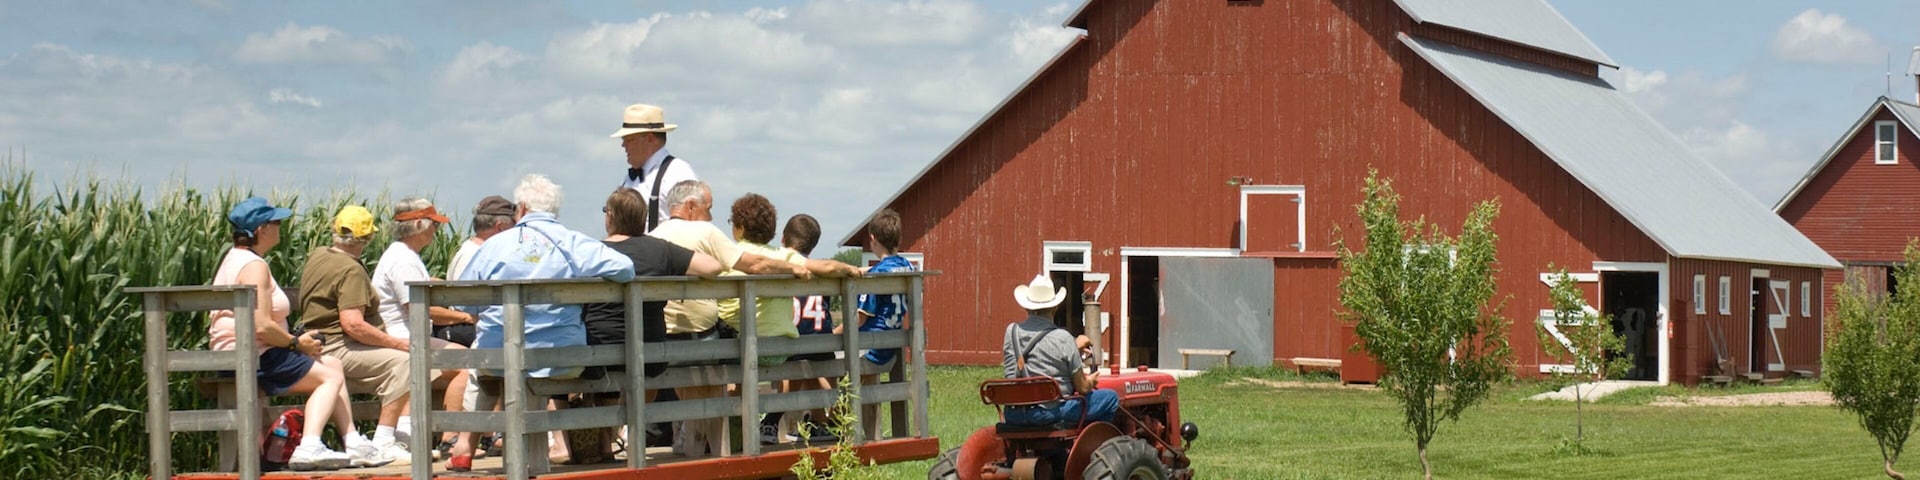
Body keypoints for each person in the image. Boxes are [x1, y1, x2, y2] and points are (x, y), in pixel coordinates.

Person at [450, 174, 637, 471]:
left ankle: (464, 444)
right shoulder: (574, 242)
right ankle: (530, 455)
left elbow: (463, 301)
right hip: (561, 356)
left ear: (521, 208)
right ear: (555, 210)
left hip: (497, 357)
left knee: (486, 362)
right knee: (525, 364)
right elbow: (625, 268)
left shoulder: (495, 246)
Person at [209, 198, 389, 470]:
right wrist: (297, 343)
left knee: (333, 363)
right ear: (262, 230)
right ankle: (310, 445)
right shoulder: (254, 266)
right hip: (254, 356)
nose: (281, 227)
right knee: (328, 376)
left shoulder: (234, 259)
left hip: (241, 352)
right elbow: (261, 326)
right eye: (276, 222)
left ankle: (352, 440)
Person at [645, 181, 811, 455]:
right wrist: (793, 267)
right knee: (716, 370)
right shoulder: (705, 231)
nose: (710, 217)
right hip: (700, 338)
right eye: (708, 209)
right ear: (690, 207)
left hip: (661, 338)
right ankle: (716, 448)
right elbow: (755, 264)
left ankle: (685, 437)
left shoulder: (653, 236)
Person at [297, 205, 414, 465]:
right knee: (408, 361)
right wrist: (398, 344)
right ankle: (384, 440)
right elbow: (353, 325)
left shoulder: (319, 255)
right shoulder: (350, 269)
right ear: (367, 238)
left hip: (317, 342)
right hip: (337, 345)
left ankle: (373, 439)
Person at [366, 197, 474, 460]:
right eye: (434, 226)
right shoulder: (404, 261)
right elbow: (417, 308)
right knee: (465, 361)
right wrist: (464, 317)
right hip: (404, 337)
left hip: (405, 334)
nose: (436, 232)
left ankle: (411, 435)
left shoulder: (401, 255)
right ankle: (448, 437)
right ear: (418, 224)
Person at [582, 188, 724, 378]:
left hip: (599, 353)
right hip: (650, 355)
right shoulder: (659, 249)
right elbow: (712, 267)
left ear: (610, 215)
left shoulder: (590, 252)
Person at [762, 213, 842, 443]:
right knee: (817, 368)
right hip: (821, 341)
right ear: (813, 245)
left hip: (794, 340)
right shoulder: (819, 270)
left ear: (784, 238)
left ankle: (771, 420)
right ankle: (824, 422)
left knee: (793, 369)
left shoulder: (785, 268)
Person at [1001, 274, 1119, 426]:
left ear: (1026, 306)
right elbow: (1082, 388)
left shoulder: (1011, 332)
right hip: (1047, 413)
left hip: (1013, 413)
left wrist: (1074, 348)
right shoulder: (1063, 338)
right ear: (1055, 307)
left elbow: (1025, 360)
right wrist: (1091, 381)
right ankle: (1093, 444)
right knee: (1110, 398)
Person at [612, 103, 695, 232]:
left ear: (650, 139)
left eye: (629, 140)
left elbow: (692, 225)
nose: (623, 145)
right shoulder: (628, 179)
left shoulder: (677, 173)